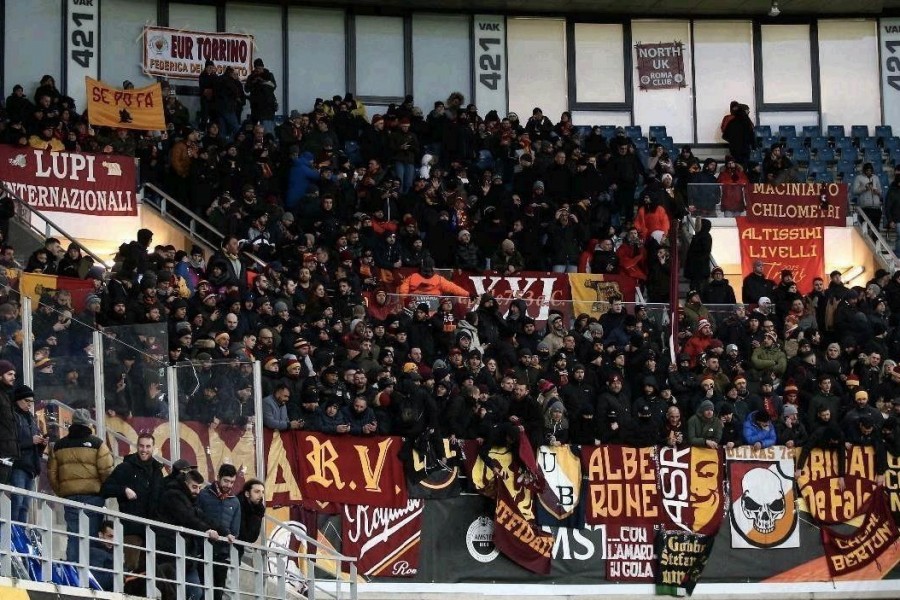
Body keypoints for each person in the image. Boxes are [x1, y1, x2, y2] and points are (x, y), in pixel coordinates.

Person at [48, 408, 114, 563]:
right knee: (90, 537)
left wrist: (63, 491)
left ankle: (73, 572)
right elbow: (107, 472)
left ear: (72, 423)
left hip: (70, 497)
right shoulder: (98, 444)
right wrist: (102, 491)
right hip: (93, 497)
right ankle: (87, 573)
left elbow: (52, 474)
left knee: (74, 536)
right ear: (88, 423)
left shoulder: (59, 445)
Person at [157, 469, 232, 600]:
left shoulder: (189, 500)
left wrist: (226, 533)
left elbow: (202, 517)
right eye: (194, 487)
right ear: (185, 483)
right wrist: (206, 530)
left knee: (195, 592)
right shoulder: (172, 495)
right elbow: (187, 518)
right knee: (178, 592)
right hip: (170, 553)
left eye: (199, 488)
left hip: (187, 555)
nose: (197, 491)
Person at [101, 432, 165, 571]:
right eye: (141, 446)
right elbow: (106, 489)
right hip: (131, 529)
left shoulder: (157, 471)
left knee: (148, 573)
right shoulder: (125, 467)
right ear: (137, 446)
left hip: (151, 531)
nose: (144, 450)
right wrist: (124, 490)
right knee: (131, 569)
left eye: (148, 446)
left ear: (154, 448)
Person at [198, 464, 242, 600]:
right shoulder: (204, 494)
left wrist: (230, 536)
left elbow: (235, 531)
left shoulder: (234, 502)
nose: (229, 485)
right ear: (218, 478)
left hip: (222, 554)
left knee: (217, 594)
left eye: (232, 482)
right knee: (202, 591)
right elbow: (197, 518)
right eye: (226, 481)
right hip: (202, 550)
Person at [10, 385, 46, 524]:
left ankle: (20, 536)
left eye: (32, 402)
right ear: (18, 400)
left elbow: (34, 446)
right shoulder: (13, 417)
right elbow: (10, 444)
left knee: (25, 506)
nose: (30, 404)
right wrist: (30, 441)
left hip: (31, 466)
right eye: (27, 401)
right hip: (18, 465)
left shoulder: (31, 418)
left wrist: (41, 444)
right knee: (17, 502)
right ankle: (12, 533)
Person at [245, 58, 278, 136]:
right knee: (255, 130)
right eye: (257, 68)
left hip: (268, 107)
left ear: (263, 67)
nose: (258, 70)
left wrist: (263, 81)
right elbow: (247, 89)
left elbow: (273, 86)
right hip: (256, 107)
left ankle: (269, 143)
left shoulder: (269, 75)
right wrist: (254, 81)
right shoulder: (251, 77)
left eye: (260, 68)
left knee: (268, 129)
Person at [0, 360, 19, 486]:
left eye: (14, 375)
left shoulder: (6, 396)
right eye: (10, 374)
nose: (13, 378)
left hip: (7, 453)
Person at [853, 162, 883, 229]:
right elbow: (855, 191)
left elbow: (880, 191)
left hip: (876, 207)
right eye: (867, 170)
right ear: (864, 170)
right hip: (865, 207)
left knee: (876, 228)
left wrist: (877, 191)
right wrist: (865, 188)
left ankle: (875, 239)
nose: (869, 172)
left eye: (870, 170)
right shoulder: (858, 178)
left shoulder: (876, 178)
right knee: (865, 227)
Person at [238, 479, 266, 546]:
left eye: (262, 492)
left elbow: (252, 538)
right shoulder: (237, 505)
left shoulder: (258, 509)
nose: (261, 495)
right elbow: (243, 535)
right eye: (257, 492)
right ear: (247, 494)